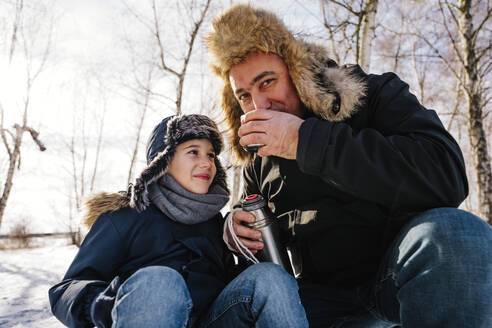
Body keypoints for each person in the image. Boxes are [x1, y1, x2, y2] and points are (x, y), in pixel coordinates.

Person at [205, 4, 492, 328]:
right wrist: (235, 230)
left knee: (459, 232)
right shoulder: (258, 161)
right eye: (244, 95)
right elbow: (265, 256)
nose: (260, 105)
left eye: (267, 82)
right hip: (318, 298)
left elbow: (446, 174)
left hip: (400, 275)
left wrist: (305, 141)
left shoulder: (373, 95)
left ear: (296, 70)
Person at [48, 114, 309, 328]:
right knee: (160, 281)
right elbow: (65, 290)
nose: (207, 162)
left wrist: (251, 258)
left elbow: (230, 285)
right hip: (145, 316)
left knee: (269, 276)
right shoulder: (124, 217)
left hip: (213, 321)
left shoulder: (214, 222)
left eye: (210, 155)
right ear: (163, 162)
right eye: (193, 152)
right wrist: (108, 303)